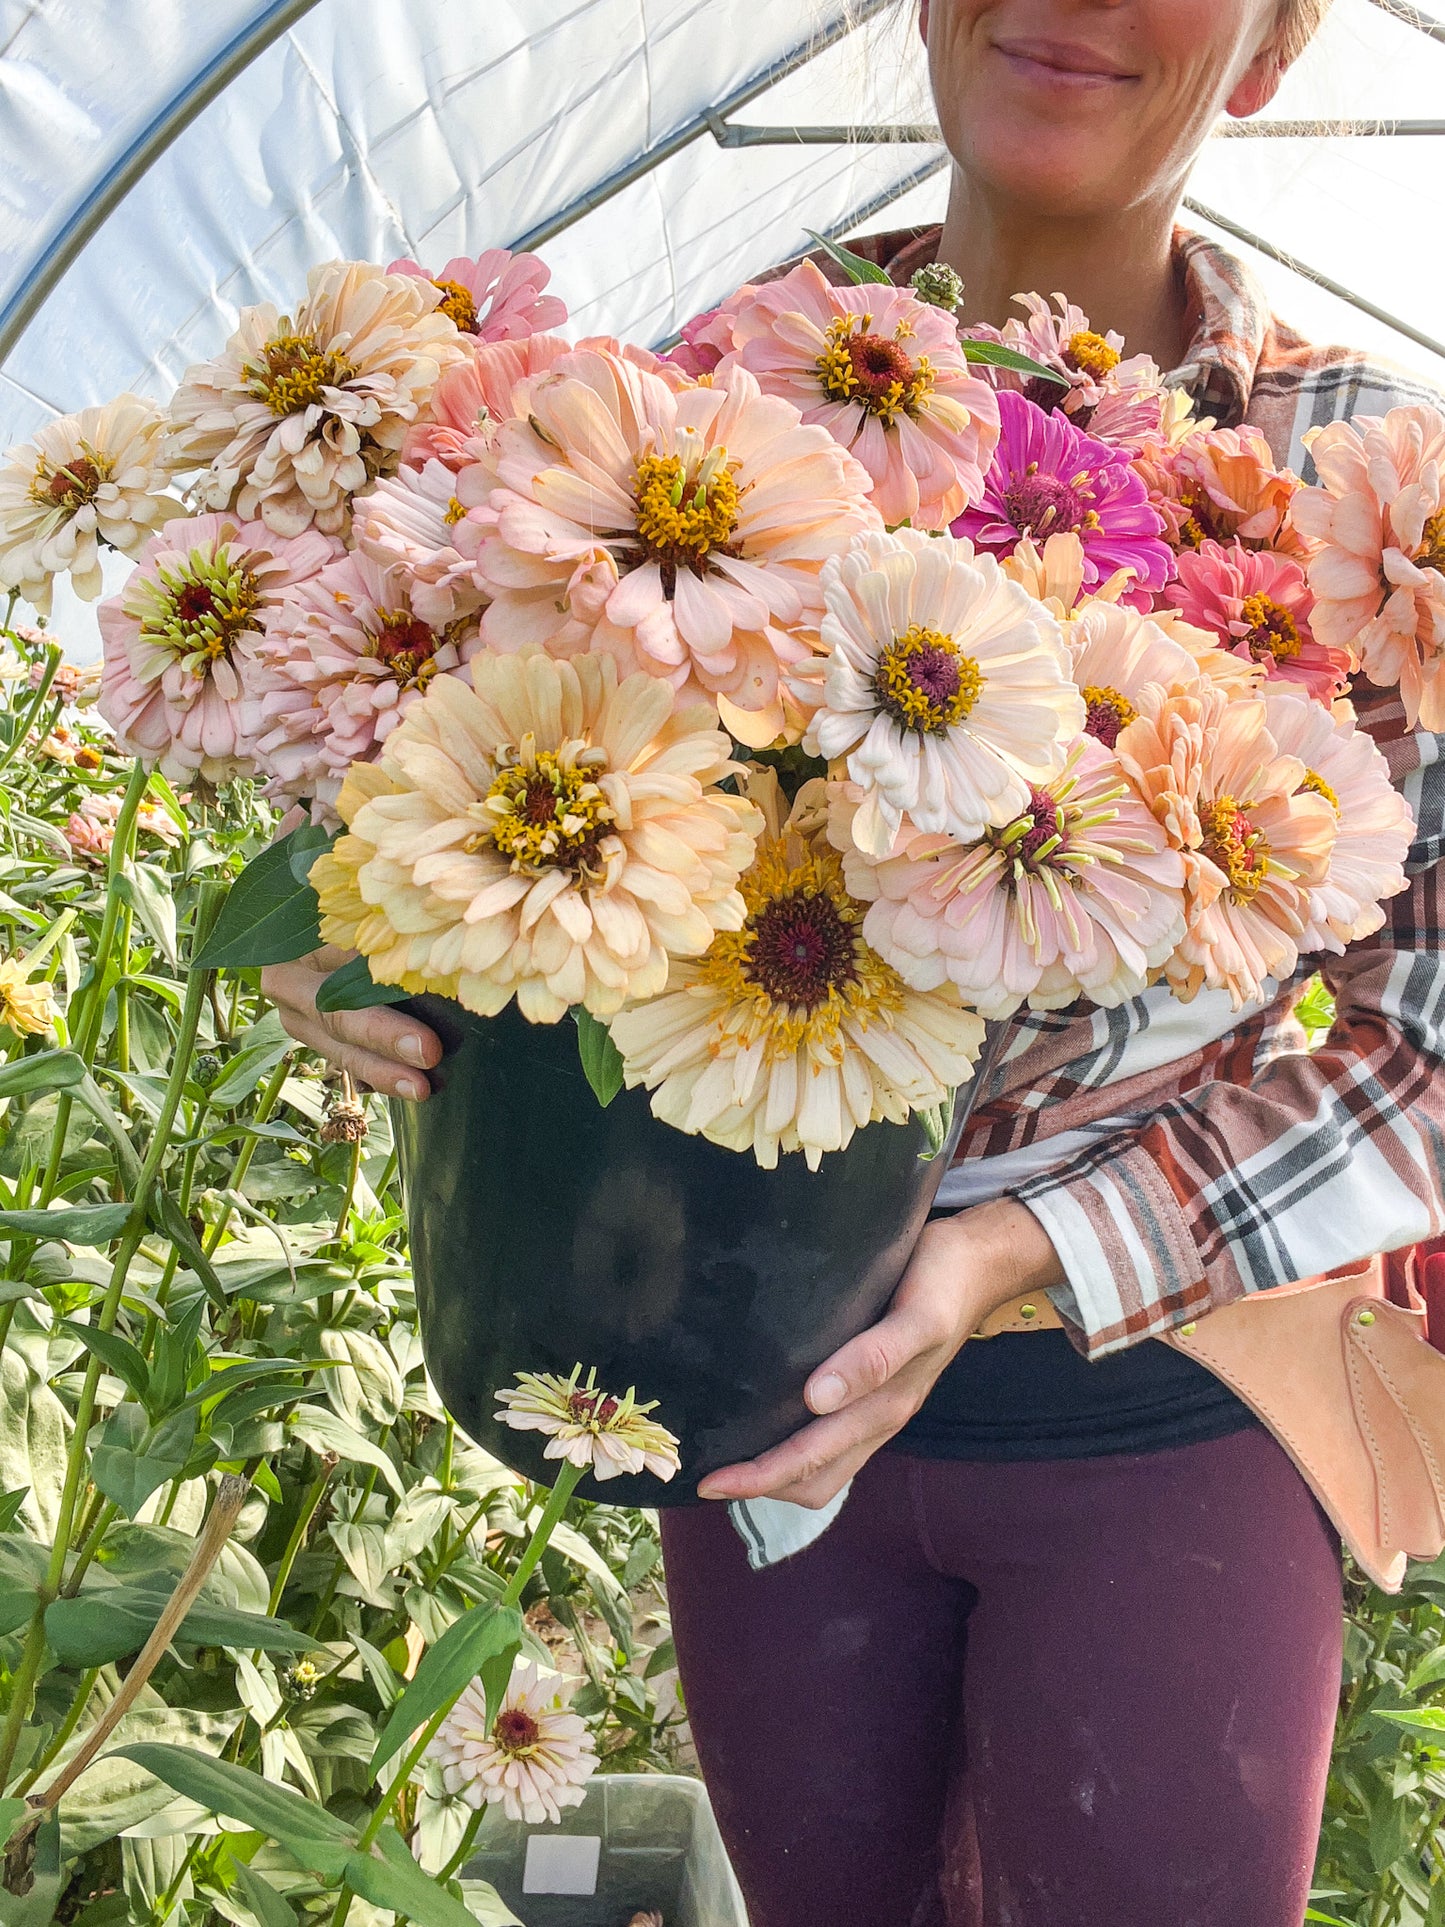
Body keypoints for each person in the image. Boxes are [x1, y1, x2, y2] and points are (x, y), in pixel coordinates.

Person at [265, 1, 1445, 1920]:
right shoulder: (684, 417)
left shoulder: (1372, 492)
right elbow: (426, 755)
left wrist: (1020, 1252)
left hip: (1166, 1404)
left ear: (1267, 48)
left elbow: (1430, 1038)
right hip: (747, 1393)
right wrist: (350, 931)